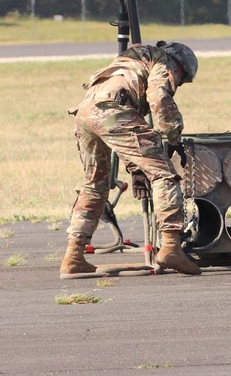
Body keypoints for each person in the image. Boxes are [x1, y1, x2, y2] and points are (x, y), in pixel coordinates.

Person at [61, 39, 203, 277]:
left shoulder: (131, 60)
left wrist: (135, 170)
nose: (177, 82)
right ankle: (170, 247)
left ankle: (73, 256)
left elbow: (126, 127)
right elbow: (158, 98)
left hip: (86, 112)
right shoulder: (164, 61)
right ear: (180, 67)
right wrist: (173, 136)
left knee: (95, 185)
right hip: (112, 112)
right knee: (164, 175)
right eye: (180, 79)